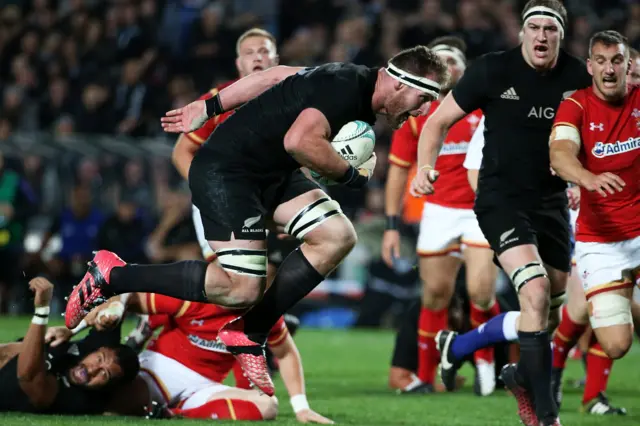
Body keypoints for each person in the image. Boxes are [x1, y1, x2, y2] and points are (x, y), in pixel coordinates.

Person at [64, 46, 449, 396]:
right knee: (241, 290)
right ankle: (113, 275)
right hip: (229, 173)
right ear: (400, 84)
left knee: (336, 235)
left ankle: (250, 331)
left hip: (270, 174)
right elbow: (300, 142)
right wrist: (351, 176)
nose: (423, 111)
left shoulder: (351, 78)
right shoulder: (347, 88)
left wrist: (209, 106)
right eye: (425, 98)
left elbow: (275, 75)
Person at [410, 1, 592, 424]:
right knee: (534, 292)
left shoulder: (578, 76)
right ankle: (545, 415)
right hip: (500, 200)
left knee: (546, 310)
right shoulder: (493, 70)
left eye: (551, 28)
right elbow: (436, 122)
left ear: (561, 35)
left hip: (550, 202)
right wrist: (424, 168)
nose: (542, 35)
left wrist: (581, 177)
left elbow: (595, 132)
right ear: (522, 32)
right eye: (535, 27)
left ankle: (463, 348)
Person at [382, 36, 498, 396]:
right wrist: (390, 227)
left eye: (454, 62)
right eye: (441, 61)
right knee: (434, 294)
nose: (448, 68)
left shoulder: (484, 108)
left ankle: (486, 365)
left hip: (479, 211)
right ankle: (426, 377)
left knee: (480, 291)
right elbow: (398, 171)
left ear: (464, 70)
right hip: (438, 211)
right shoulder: (419, 115)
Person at [549, 27, 640, 410]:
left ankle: (592, 395)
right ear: (589, 66)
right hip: (601, 240)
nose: (609, 68)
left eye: (616, 60)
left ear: (627, 65)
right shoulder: (577, 106)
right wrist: (587, 177)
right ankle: (552, 364)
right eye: (600, 61)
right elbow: (560, 154)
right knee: (617, 343)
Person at [84, 293, 333, 423]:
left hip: (203, 389)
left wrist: (301, 407)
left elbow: (287, 353)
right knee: (113, 402)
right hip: (158, 369)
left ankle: (174, 414)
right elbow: (134, 297)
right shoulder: (195, 293)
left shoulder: (265, 313)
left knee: (268, 406)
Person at [172, 27, 300, 277]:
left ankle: (269, 318)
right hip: (221, 197)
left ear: (276, 60)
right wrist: (210, 192)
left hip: (266, 199)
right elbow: (181, 152)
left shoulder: (294, 102)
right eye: (249, 53)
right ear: (239, 63)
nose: (257, 58)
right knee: (228, 276)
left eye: (264, 51)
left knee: (269, 274)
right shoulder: (219, 99)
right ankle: (154, 310)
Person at [0, 277, 140, 415]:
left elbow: (28, 376)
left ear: (108, 388)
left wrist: (42, 310)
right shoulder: (104, 350)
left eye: (104, 374)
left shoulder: (77, 400)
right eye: (98, 359)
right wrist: (75, 328)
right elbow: (119, 286)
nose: (93, 370)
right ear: (101, 350)